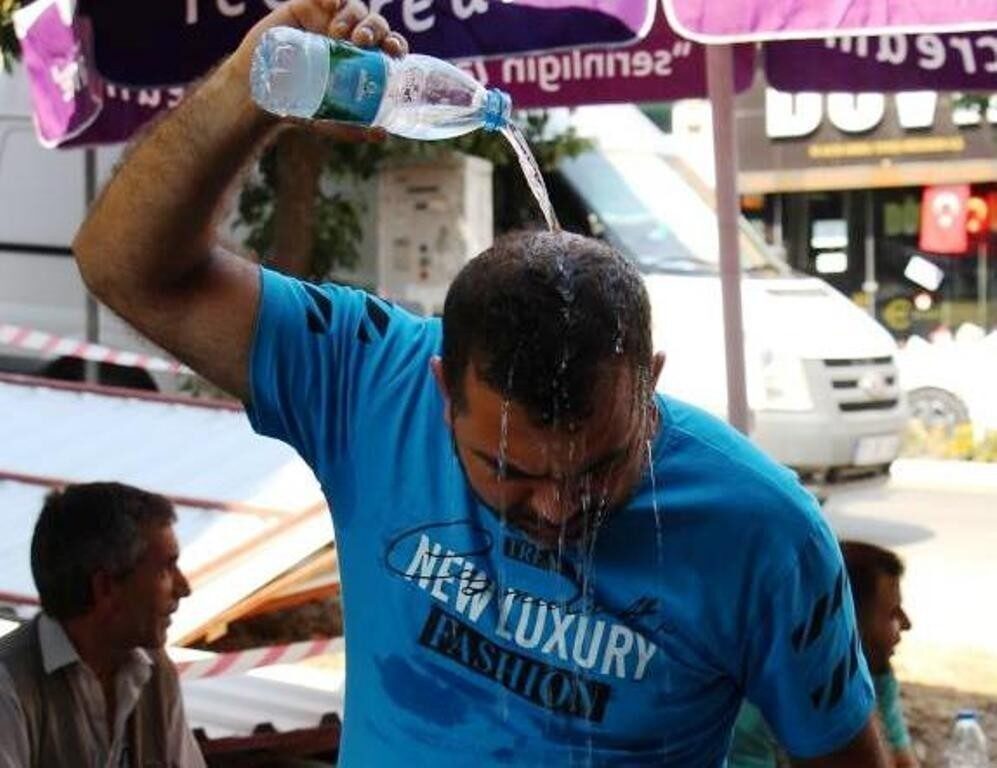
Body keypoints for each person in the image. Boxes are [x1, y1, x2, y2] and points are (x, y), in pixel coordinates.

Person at [71, 1, 891, 764]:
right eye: (509, 467)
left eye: (601, 466)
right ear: (441, 389)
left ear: (651, 384)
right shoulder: (370, 381)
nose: (558, 509)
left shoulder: (763, 530)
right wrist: (247, 89)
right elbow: (122, 266)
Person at [0, 482, 203, 767]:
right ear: (106, 587)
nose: (184, 588)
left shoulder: (154, 671)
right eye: (166, 569)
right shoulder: (10, 683)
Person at [729, 541, 917, 768]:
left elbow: (903, 761)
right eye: (893, 613)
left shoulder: (877, 674)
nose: (907, 624)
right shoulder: (757, 706)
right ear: (848, 619)